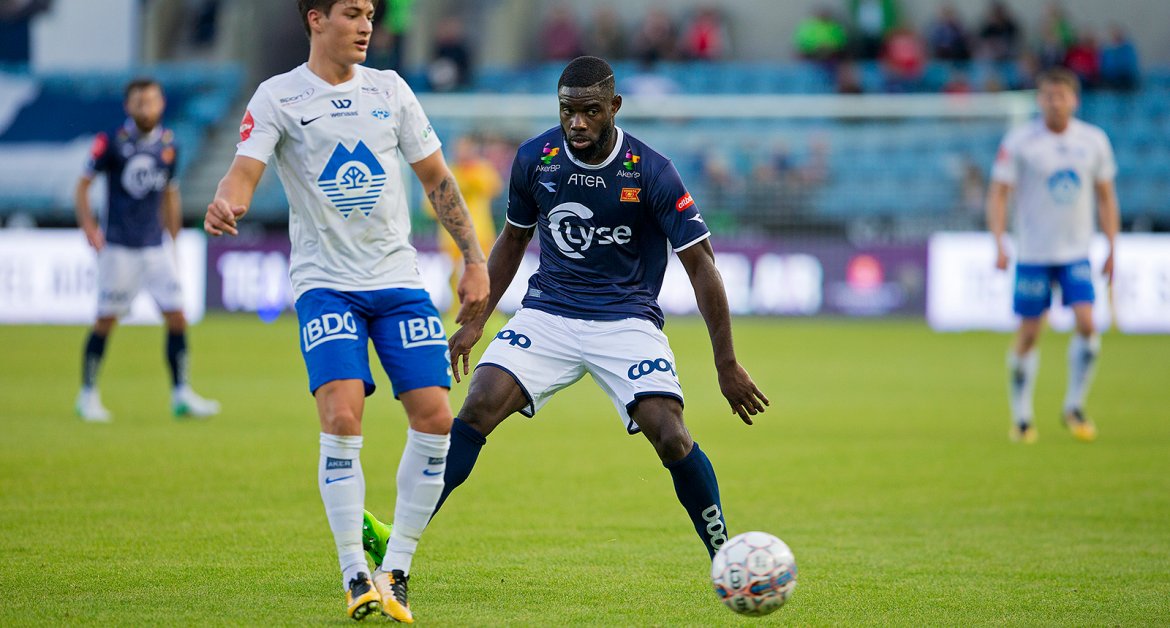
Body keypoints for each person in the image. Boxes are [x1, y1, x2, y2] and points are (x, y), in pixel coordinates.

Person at [361, 55, 769, 568]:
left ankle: (725, 556)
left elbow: (702, 267)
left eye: (591, 112)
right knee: (477, 406)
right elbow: (513, 240)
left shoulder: (652, 171)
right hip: (548, 314)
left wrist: (725, 363)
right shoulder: (536, 159)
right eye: (568, 111)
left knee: (668, 431)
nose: (577, 123)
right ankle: (398, 542)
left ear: (614, 108)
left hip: (627, 320)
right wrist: (477, 320)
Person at [202, 0, 489, 622]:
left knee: (436, 418)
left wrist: (474, 258)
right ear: (315, 19)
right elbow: (242, 173)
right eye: (353, 13)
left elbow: (437, 178)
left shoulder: (391, 89)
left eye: (370, 14)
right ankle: (354, 572)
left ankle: (398, 568)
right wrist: (227, 202)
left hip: (397, 281)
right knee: (340, 414)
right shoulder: (279, 96)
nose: (367, 25)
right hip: (325, 284)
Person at [74, 78, 220, 423]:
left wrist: (174, 239)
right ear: (128, 107)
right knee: (106, 320)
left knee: (177, 316)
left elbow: (170, 193)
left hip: (155, 247)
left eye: (151, 101)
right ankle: (88, 394)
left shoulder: (169, 145)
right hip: (120, 248)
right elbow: (82, 186)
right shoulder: (111, 143)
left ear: (162, 104)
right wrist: (89, 229)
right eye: (140, 103)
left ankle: (181, 393)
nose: (146, 108)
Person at [986, 68, 1120, 444]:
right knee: (1029, 333)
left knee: (1088, 324)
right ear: (1038, 99)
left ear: (1074, 100)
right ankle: (1022, 417)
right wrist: (999, 241)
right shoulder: (1020, 141)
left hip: (1076, 251)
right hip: (1033, 252)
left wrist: (1112, 246)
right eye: (1047, 95)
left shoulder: (1093, 141)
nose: (1054, 102)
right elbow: (998, 193)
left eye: (1061, 95)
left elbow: (1106, 196)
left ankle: (1074, 406)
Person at [425, 135, 501, 315]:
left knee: (487, 273)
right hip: (452, 237)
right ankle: (456, 309)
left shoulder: (482, 169)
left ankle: (489, 309)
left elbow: (494, 188)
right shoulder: (447, 172)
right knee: (453, 275)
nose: (463, 153)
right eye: (459, 149)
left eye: (466, 148)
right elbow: (430, 207)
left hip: (480, 233)